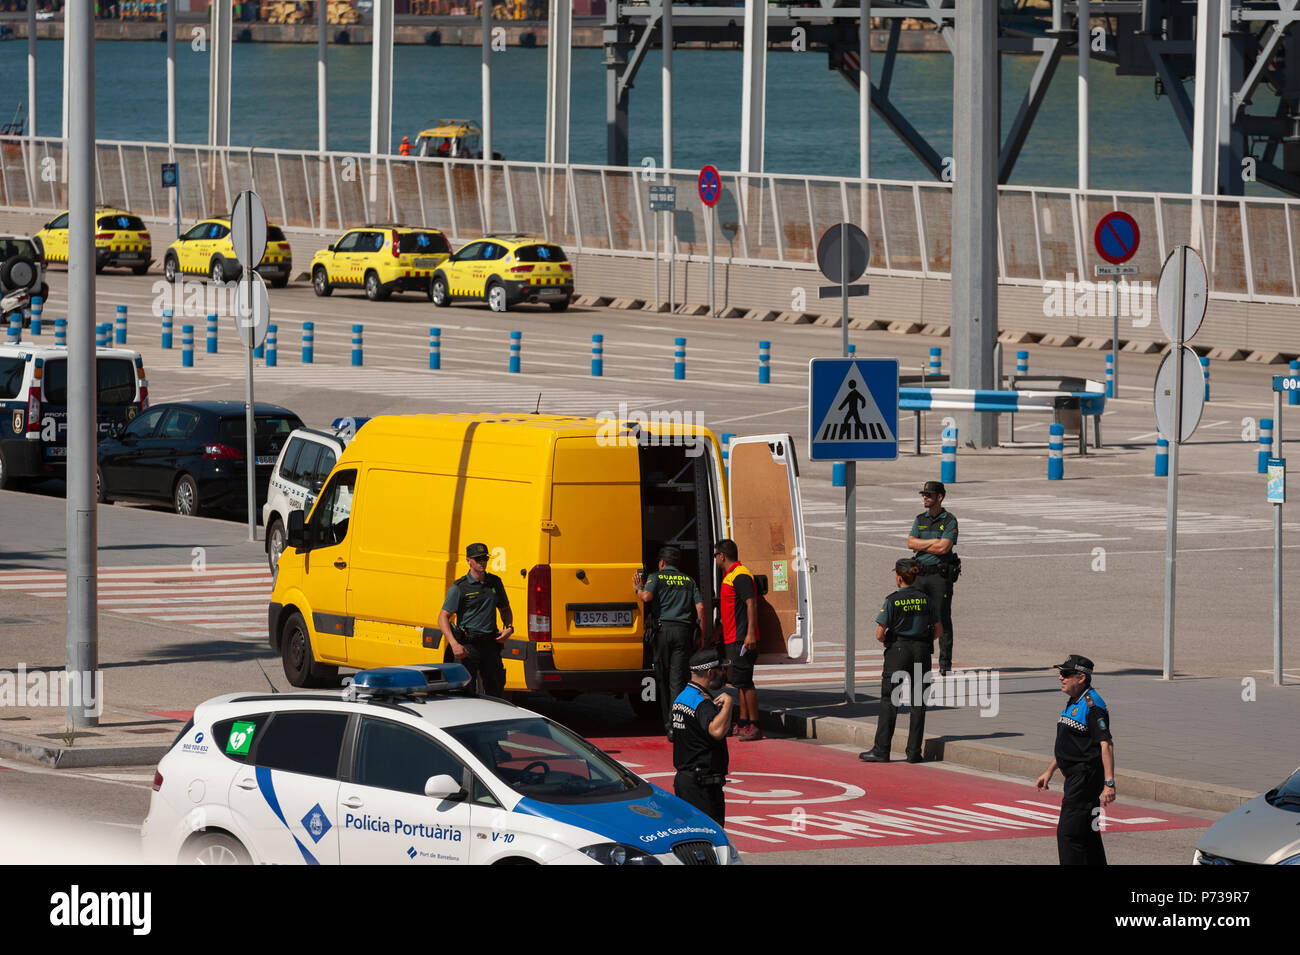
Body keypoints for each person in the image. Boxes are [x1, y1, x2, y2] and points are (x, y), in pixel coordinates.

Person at [1035, 654, 1116, 866]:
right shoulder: (1075, 700)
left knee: (1068, 834)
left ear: (1081, 678)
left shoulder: (1092, 706)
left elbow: (1106, 744)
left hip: (1085, 779)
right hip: (1077, 777)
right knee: (1088, 834)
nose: (1060, 677)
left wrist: (1109, 784)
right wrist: (1050, 770)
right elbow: (1069, 744)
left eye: (1066, 674)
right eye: (1061, 673)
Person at [859, 558, 940, 764]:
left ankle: (882, 750)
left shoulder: (893, 600)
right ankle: (913, 752)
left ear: (898, 577)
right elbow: (938, 630)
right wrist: (922, 639)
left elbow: (879, 634)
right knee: (918, 703)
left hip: (898, 651)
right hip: (921, 650)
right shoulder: (926, 599)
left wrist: (893, 641)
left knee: (890, 701)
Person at [634, 545, 706, 739]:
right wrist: (701, 635)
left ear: (662, 562)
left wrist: (638, 588)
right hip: (683, 632)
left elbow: (646, 597)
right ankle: (679, 723)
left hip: (664, 631)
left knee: (663, 679)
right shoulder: (688, 580)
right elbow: (700, 608)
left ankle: (670, 724)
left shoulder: (656, 577)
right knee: (678, 679)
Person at [438, 542, 514, 698]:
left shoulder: (495, 582)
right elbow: (442, 617)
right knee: (466, 693)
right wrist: (454, 644)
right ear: (468, 561)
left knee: (496, 690)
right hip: (468, 647)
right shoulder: (460, 587)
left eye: (484, 558)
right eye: (478, 559)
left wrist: (509, 628)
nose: (482, 562)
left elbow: (505, 609)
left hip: (491, 645)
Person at [671, 649, 733, 825]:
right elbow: (716, 731)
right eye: (721, 670)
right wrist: (728, 704)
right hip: (702, 787)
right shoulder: (701, 702)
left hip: (685, 781)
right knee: (710, 836)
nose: (723, 674)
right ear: (710, 672)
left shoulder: (681, 698)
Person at [907, 480, 959, 675]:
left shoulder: (949, 520)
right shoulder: (920, 519)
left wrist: (923, 543)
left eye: (928, 495)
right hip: (920, 575)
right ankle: (920, 659)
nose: (925, 498)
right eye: (924, 495)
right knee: (918, 618)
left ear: (940, 497)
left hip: (939, 577)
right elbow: (910, 543)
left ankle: (945, 664)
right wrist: (933, 542)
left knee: (942, 619)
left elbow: (944, 547)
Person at [715, 539, 762, 741]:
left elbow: (751, 604)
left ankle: (754, 725)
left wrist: (750, 634)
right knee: (739, 682)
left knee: (746, 682)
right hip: (732, 638)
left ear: (722, 556)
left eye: (716, 555)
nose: (715, 559)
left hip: (742, 638)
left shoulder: (741, 575)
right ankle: (743, 722)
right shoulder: (730, 576)